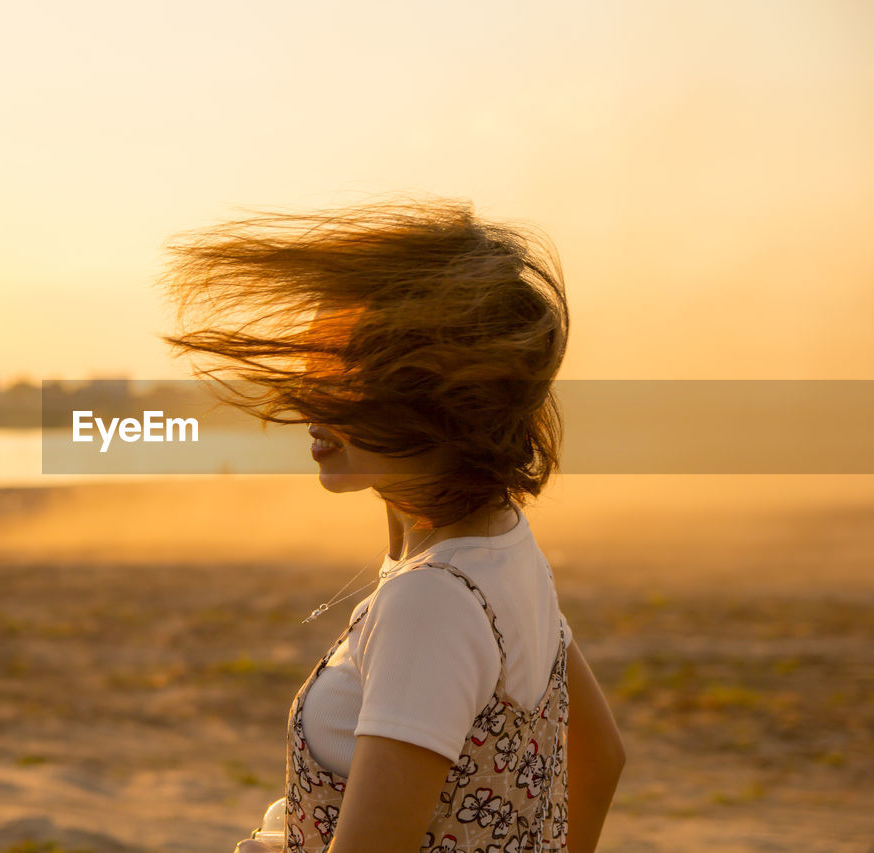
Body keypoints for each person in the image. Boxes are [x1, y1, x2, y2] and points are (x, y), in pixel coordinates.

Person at [158, 197, 626, 853]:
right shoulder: (505, 547)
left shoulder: (430, 601)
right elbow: (601, 758)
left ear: (431, 397)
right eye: (310, 363)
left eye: (346, 375)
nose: (307, 397)